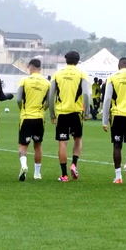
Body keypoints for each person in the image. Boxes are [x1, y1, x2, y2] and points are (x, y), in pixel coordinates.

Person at [48, 51, 92, 182]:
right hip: (76, 112)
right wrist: (87, 111)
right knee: (77, 139)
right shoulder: (81, 74)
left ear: (65, 60)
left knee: (63, 143)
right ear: (78, 61)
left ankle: (64, 175)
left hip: (62, 113)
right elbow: (86, 94)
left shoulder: (57, 74)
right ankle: (74, 164)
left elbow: (51, 95)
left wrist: (52, 114)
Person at [16, 59, 51, 181]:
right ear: (40, 68)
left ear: (30, 67)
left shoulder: (24, 81)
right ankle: (37, 173)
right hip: (39, 118)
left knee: (23, 145)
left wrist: (22, 109)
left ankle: (24, 165)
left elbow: (19, 99)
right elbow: (50, 102)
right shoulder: (47, 83)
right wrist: (42, 110)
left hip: (26, 117)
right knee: (38, 145)